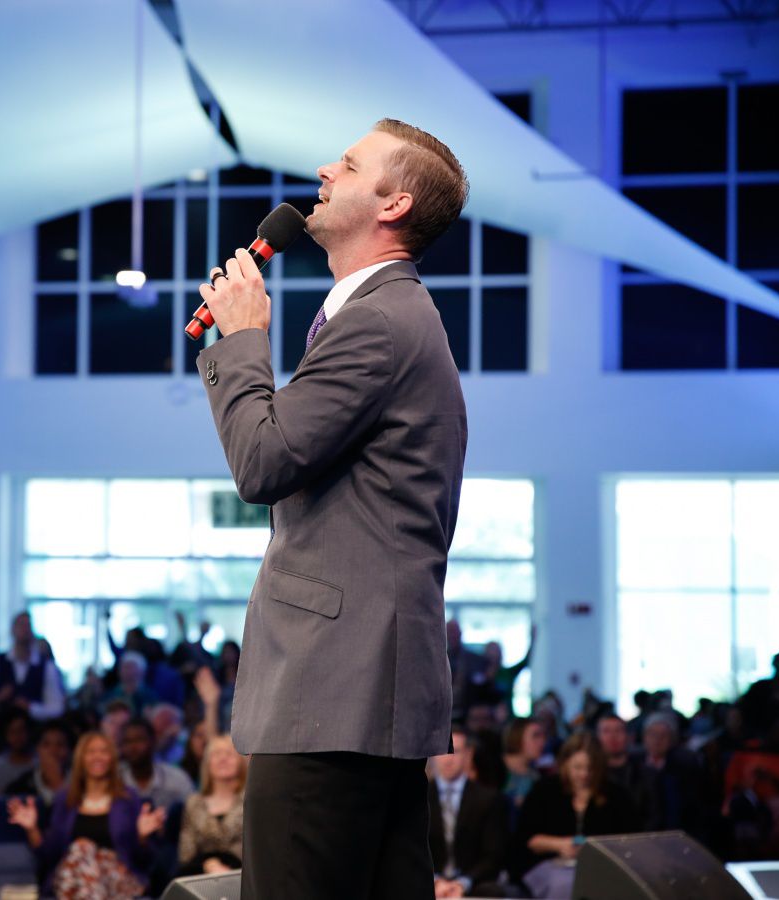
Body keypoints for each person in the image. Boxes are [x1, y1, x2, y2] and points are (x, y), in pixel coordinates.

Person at [193, 118, 469, 899]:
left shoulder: (377, 321)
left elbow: (263, 462)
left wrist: (242, 339)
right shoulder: (389, 314)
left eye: (347, 165)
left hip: (333, 687)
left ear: (393, 204)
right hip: (363, 688)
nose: (323, 169)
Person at [7, 731, 165, 899]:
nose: (97, 757)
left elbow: (145, 861)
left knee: (82, 848)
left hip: (117, 879)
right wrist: (32, 829)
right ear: (80, 758)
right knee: (80, 850)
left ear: (112, 758)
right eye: (91, 752)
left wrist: (141, 837)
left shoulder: (127, 799)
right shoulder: (65, 800)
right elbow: (50, 855)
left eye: (104, 751)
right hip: (73, 878)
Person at [513, 732, 638, 899]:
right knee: (565, 884)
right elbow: (527, 839)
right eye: (577, 767)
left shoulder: (616, 795)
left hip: (600, 867)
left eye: (591, 768)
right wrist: (561, 845)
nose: (584, 774)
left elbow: (628, 841)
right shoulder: (544, 790)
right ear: (565, 763)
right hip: (550, 864)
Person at [427, 724, 508, 898]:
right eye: (442, 752)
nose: (448, 759)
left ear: (469, 754)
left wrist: (462, 883)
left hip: (473, 882)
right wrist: (435, 881)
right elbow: (412, 849)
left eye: (455, 751)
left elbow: (494, 855)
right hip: (428, 881)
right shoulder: (417, 798)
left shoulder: (488, 799)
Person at [0, 611, 65, 721]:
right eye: (21, 625)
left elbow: (57, 708)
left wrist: (31, 708)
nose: (25, 629)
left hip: (33, 727)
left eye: (28, 625)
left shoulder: (47, 667)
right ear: (12, 630)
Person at [177, 735, 246, 877]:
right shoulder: (194, 803)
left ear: (241, 761)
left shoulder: (250, 800)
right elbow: (185, 855)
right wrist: (209, 864)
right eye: (216, 754)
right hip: (201, 878)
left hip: (245, 877)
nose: (223, 759)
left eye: (229, 754)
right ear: (207, 763)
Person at [119, 717, 193, 812]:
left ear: (153, 741)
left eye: (139, 740)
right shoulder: (116, 780)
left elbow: (194, 811)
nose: (133, 747)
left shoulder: (177, 779)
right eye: (127, 741)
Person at [6, 719, 73, 817]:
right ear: (37, 749)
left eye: (60, 744)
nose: (53, 751)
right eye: (46, 744)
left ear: (69, 750)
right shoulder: (20, 786)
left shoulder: (81, 784)